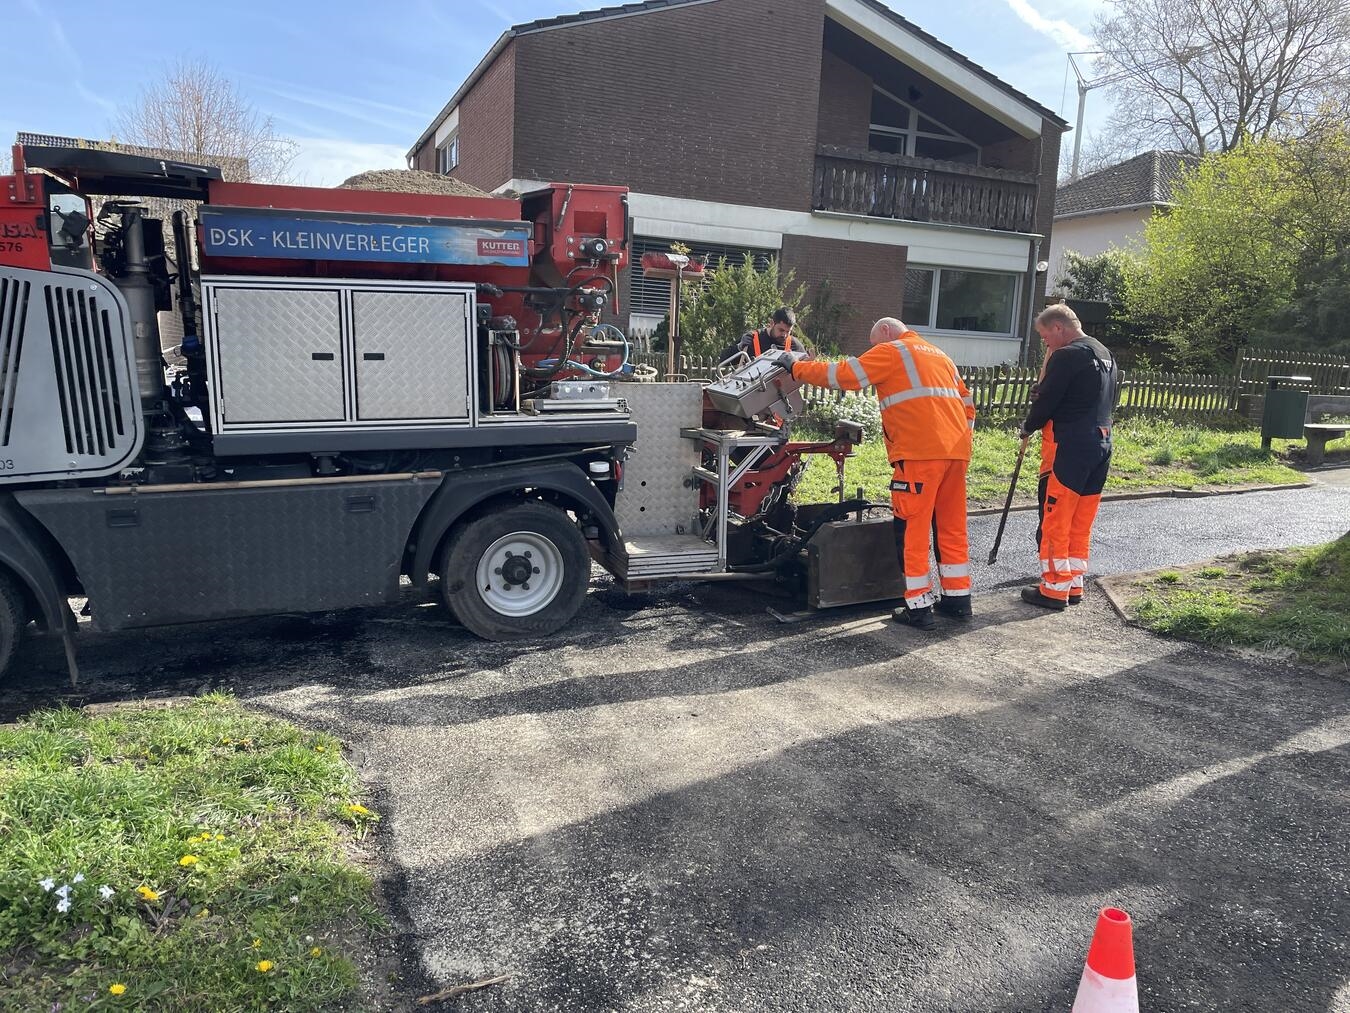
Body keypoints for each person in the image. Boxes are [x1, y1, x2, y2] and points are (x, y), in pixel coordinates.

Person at [777, 317, 976, 630]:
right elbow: (968, 405)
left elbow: (843, 375)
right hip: (956, 453)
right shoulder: (941, 356)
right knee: (951, 526)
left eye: (874, 344)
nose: (873, 351)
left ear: (886, 331)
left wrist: (795, 367)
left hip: (919, 455)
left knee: (912, 529)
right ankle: (958, 599)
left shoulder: (894, 350)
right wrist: (960, 440)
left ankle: (919, 605)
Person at [1018, 304, 1120, 610]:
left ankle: (1053, 588)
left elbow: (1048, 401)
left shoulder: (1067, 355)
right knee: (1080, 519)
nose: (1044, 342)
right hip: (1101, 443)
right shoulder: (1105, 355)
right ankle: (1073, 583)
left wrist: (1028, 425)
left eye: (1044, 335)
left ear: (1059, 328)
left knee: (1056, 518)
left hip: (1069, 445)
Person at [721, 306, 802, 362]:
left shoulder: (793, 344)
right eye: (781, 330)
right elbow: (723, 359)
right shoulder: (752, 338)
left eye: (788, 331)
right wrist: (739, 347)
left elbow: (806, 367)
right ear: (771, 323)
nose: (784, 335)